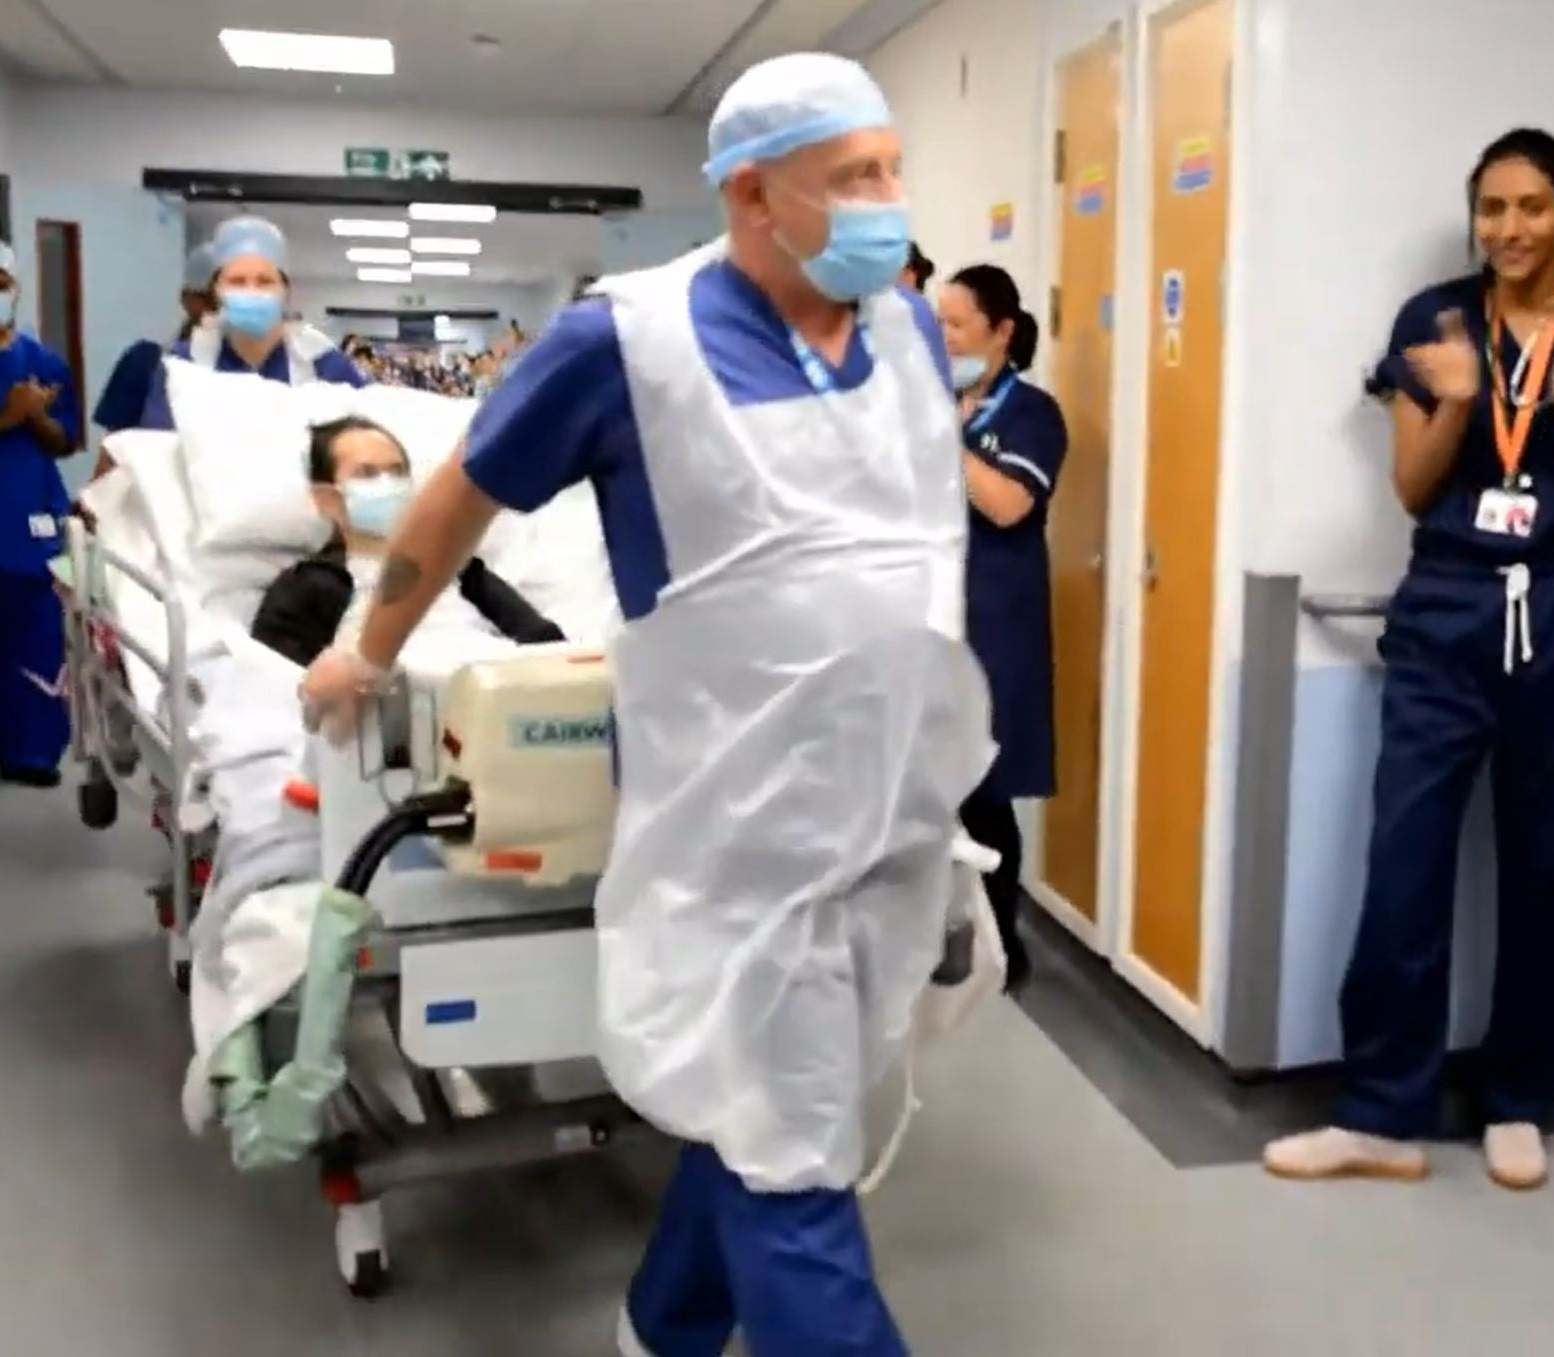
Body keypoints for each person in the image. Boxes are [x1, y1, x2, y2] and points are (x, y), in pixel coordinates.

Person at [299, 52, 988, 1355]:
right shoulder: (627, 342)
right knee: (793, 1159)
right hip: (738, 840)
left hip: (891, 810)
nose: (888, 202)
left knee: (780, 1107)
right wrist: (367, 650)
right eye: (853, 178)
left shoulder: (902, 331)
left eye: (893, 169)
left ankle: (659, 1326)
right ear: (751, 193)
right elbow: (456, 499)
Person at [1264, 129, 1554, 1192]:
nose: (1508, 228)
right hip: (1449, 603)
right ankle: (1379, 1113)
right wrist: (1457, 397)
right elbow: (1414, 489)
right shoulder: (1436, 321)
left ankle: (1518, 1100)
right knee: (1404, 859)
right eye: (1491, 208)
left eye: (1530, 206)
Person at [939, 263, 1066, 991]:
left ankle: (1001, 950)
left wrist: (943, 441)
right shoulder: (938, 401)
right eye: (938, 323)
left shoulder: (1032, 415)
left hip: (996, 624)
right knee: (930, 785)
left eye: (956, 323)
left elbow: (1008, 504)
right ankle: (946, 942)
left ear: (1001, 331)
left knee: (986, 789)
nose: (943, 336)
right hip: (932, 619)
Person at [251, 416, 562, 668]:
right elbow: (282, 688)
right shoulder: (309, 587)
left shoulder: (458, 568)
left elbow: (544, 643)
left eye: (397, 472)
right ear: (327, 499)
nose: (388, 485)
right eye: (367, 474)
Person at [142, 216, 365, 428]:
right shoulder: (185, 361)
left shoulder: (321, 362)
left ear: (285, 291)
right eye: (237, 282)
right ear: (216, 291)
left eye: (265, 281)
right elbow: (158, 442)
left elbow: (366, 433)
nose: (252, 291)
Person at [0, 240, 82, 787]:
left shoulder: (45, 362)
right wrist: (11, 415)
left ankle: (31, 752)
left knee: (35, 633)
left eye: (1, 283)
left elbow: (65, 441)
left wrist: (38, 420)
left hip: (29, 517)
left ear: (16, 287)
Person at [93, 244, 217, 439]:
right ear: (187, 299)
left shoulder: (261, 373)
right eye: (217, 301)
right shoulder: (145, 364)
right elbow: (114, 450)